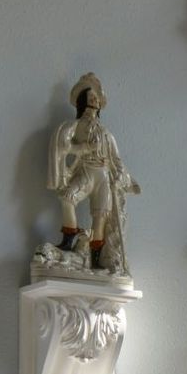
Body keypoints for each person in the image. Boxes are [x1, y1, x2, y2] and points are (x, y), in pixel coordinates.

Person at [49, 73, 137, 275]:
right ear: (83, 101)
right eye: (91, 97)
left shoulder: (106, 132)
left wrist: (123, 178)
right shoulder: (76, 126)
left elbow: (116, 159)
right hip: (86, 171)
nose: (95, 100)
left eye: (97, 97)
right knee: (67, 197)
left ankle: (96, 258)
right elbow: (66, 147)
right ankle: (69, 239)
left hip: (103, 175)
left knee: (101, 216)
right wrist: (85, 148)